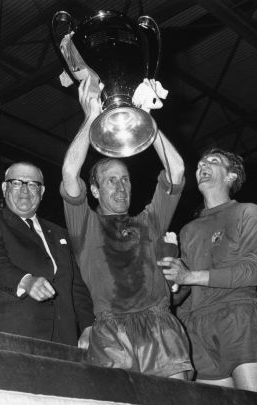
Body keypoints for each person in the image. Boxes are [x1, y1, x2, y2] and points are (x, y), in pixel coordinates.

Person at [60, 79, 191, 379]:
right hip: (111, 335)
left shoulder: (149, 221)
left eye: (125, 179)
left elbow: (178, 171)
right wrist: (90, 116)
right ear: (94, 190)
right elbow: (69, 172)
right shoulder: (86, 226)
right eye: (111, 180)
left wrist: (147, 119)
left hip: (160, 328)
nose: (121, 187)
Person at [160, 148, 257, 393]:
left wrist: (190, 276)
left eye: (213, 161)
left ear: (231, 176)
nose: (203, 165)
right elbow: (183, 289)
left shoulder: (248, 212)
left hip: (239, 318)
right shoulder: (188, 230)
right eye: (200, 163)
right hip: (198, 328)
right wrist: (167, 284)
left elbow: (255, 269)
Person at [0, 162, 93, 345]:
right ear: (5, 188)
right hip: (14, 339)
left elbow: (76, 285)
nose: (25, 191)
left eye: (33, 184)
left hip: (64, 341)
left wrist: (88, 327)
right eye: (17, 183)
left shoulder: (59, 233)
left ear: (42, 192)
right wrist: (26, 281)